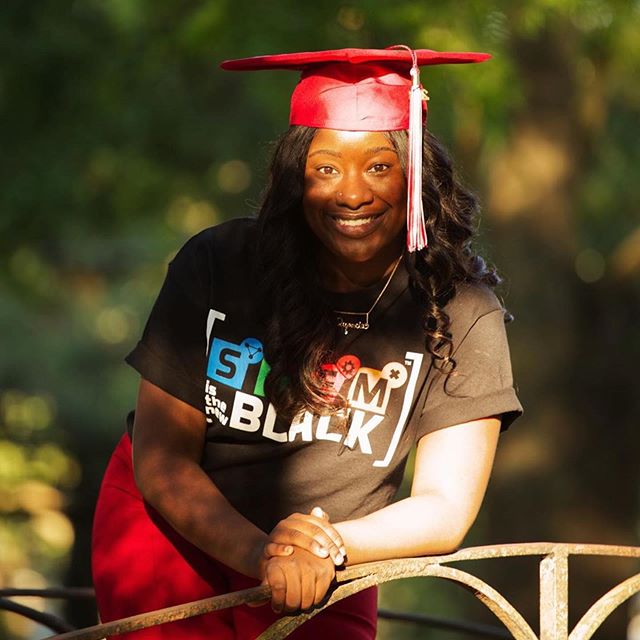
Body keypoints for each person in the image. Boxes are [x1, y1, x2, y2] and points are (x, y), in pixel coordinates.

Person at [91, 46, 522, 639]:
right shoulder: (219, 265)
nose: (352, 193)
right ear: (296, 178)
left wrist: (324, 548)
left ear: (417, 175)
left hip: (333, 559)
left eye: (378, 166)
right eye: (325, 168)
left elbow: (445, 505)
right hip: (173, 529)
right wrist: (263, 556)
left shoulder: (460, 311)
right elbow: (163, 458)